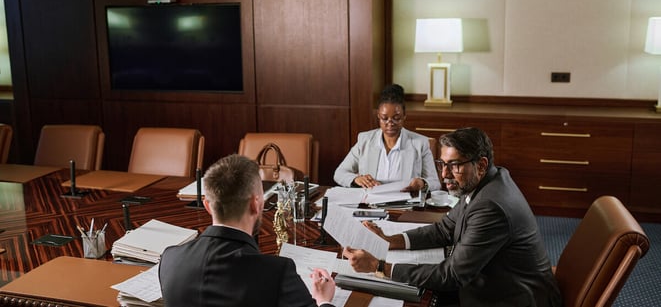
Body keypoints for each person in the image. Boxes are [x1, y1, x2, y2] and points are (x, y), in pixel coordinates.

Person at [342, 127, 562, 307]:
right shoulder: (486, 181)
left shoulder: (490, 206)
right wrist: (392, 241)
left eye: (454, 165)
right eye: (442, 164)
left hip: (510, 299)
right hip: (494, 283)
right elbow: (444, 229)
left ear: (481, 165)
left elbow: (452, 275)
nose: (444, 174)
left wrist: (379, 267)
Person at [159, 154, 336, 307]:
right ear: (255, 204)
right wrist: (323, 300)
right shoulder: (277, 272)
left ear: (207, 205)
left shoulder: (169, 258)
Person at [333, 84, 440, 194]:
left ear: (404, 116)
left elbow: (435, 182)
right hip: (370, 203)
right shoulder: (364, 140)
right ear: (378, 116)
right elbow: (340, 173)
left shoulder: (420, 144)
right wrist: (356, 179)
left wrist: (422, 183)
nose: (390, 123)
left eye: (396, 118)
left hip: (404, 204)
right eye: (384, 118)